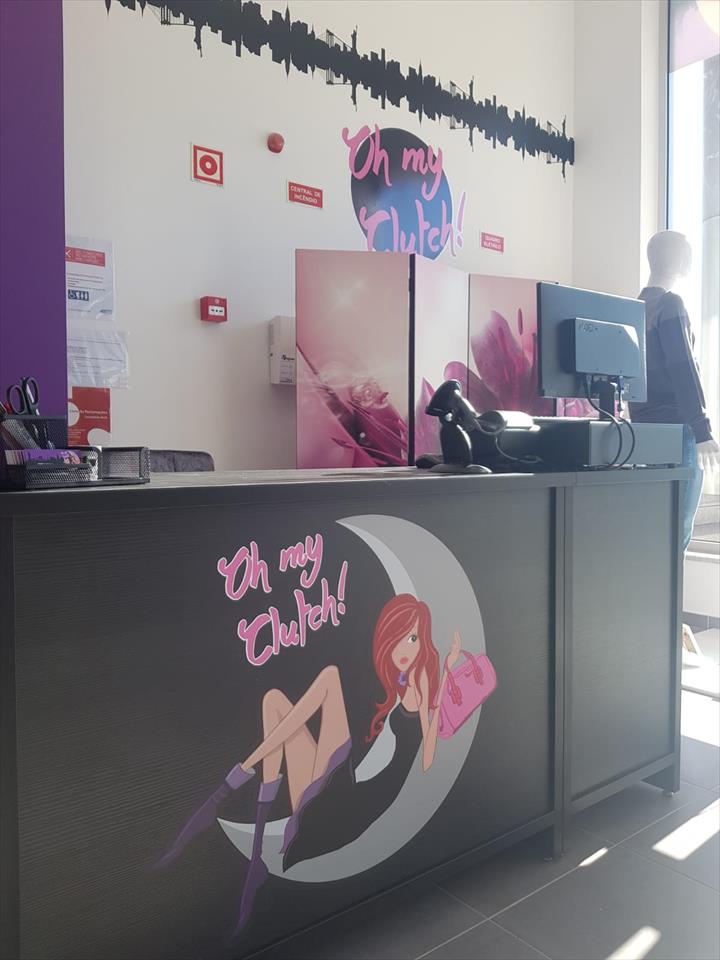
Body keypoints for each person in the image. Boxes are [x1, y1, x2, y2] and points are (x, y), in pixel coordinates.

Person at [156, 594, 462, 936]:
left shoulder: (420, 683)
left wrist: (443, 682)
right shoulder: (400, 683)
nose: (405, 646)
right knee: (273, 702)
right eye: (400, 635)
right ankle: (256, 859)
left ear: (424, 642)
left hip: (354, 803)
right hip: (342, 789)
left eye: (414, 637)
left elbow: (427, 758)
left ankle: (230, 785)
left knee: (329, 679)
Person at [630, 231, 719, 653]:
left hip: (644, 435)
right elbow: (685, 368)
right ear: (680, 262)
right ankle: (666, 625)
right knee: (676, 533)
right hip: (678, 431)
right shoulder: (671, 305)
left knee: (652, 530)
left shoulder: (634, 307)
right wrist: (703, 430)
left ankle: (657, 622)